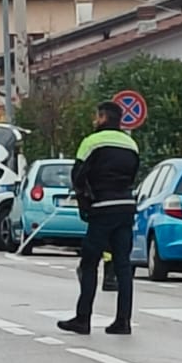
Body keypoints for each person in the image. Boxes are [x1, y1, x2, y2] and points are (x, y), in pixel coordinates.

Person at [58, 101, 140, 336]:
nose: (95, 120)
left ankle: (83, 319)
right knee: (123, 265)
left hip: (102, 208)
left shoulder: (91, 142)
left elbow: (78, 176)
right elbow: (133, 175)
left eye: (97, 116)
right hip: (126, 207)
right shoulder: (131, 144)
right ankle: (123, 322)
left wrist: (85, 205)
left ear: (103, 117)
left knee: (90, 263)